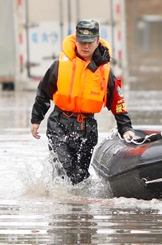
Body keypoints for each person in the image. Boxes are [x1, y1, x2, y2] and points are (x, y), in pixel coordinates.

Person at [30, 19, 135, 184]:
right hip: (59, 123)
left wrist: (126, 128)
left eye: (89, 42)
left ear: (97, 41)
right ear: (76, 40)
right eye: (81, 42)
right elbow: (43, 93)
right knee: (64, 168)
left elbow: (117, 101)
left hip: (87, 127)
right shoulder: (59, 65)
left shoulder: (105, 71)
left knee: (80, 176)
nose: (85, 46)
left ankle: (80, 208)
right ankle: (61, 203)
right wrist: (36, 119)